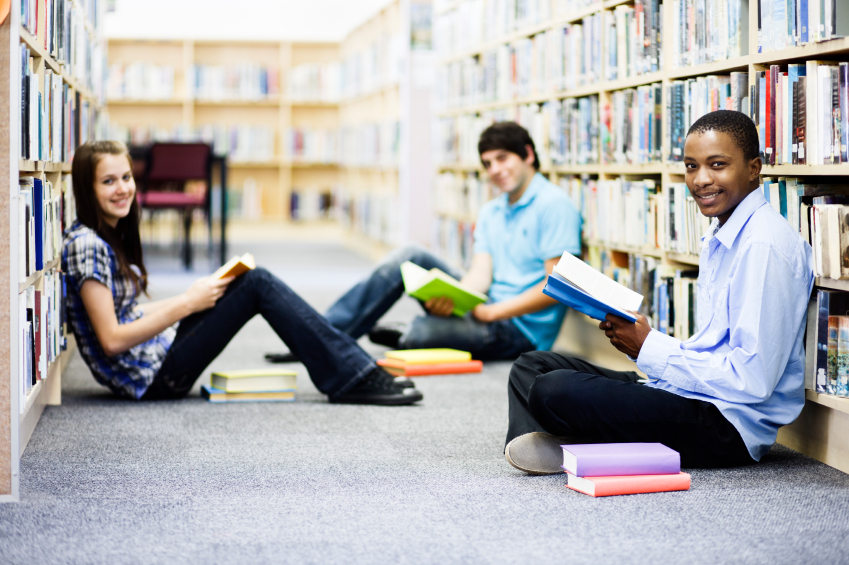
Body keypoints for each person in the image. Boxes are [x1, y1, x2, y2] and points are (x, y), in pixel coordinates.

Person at [504, 110, 814, 474]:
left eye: (717, 165)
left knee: (553, 391)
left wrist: (649, 345)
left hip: (726, 426)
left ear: (753, 168)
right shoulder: (722, 235)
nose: (701, 180)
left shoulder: (763, 246)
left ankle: (570, 444)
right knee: (531, 365)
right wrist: (647, 345)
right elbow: (711, 347)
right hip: (689, 396)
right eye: (691, 166)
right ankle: (559, 445)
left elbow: (753, 381)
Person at [62, 140, 422, 405]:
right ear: (86, 187)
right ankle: (354, 375)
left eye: (126, 176)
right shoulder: (86, 245)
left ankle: (352, 368)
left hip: (156, 356)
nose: (123, 188)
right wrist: (188, 303)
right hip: (153, 377)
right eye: (108, 181)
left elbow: (127, 312)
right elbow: (111, 339)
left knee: (244, 280)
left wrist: (196, 294)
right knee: (257, 283)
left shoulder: (102, 236)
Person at [306, 121, 581, 361]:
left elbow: (557, 286)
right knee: (409, 255)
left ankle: (409, 332)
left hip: (521, 331)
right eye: (488, 163)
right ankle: (325, 333)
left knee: (421, 334)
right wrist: (457, 297)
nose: (495, 169)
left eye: (502, 158)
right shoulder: (491, 211)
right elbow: (480, 275)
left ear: (528, 155)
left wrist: (491, 313)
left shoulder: (554, 205)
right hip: (487, 305)